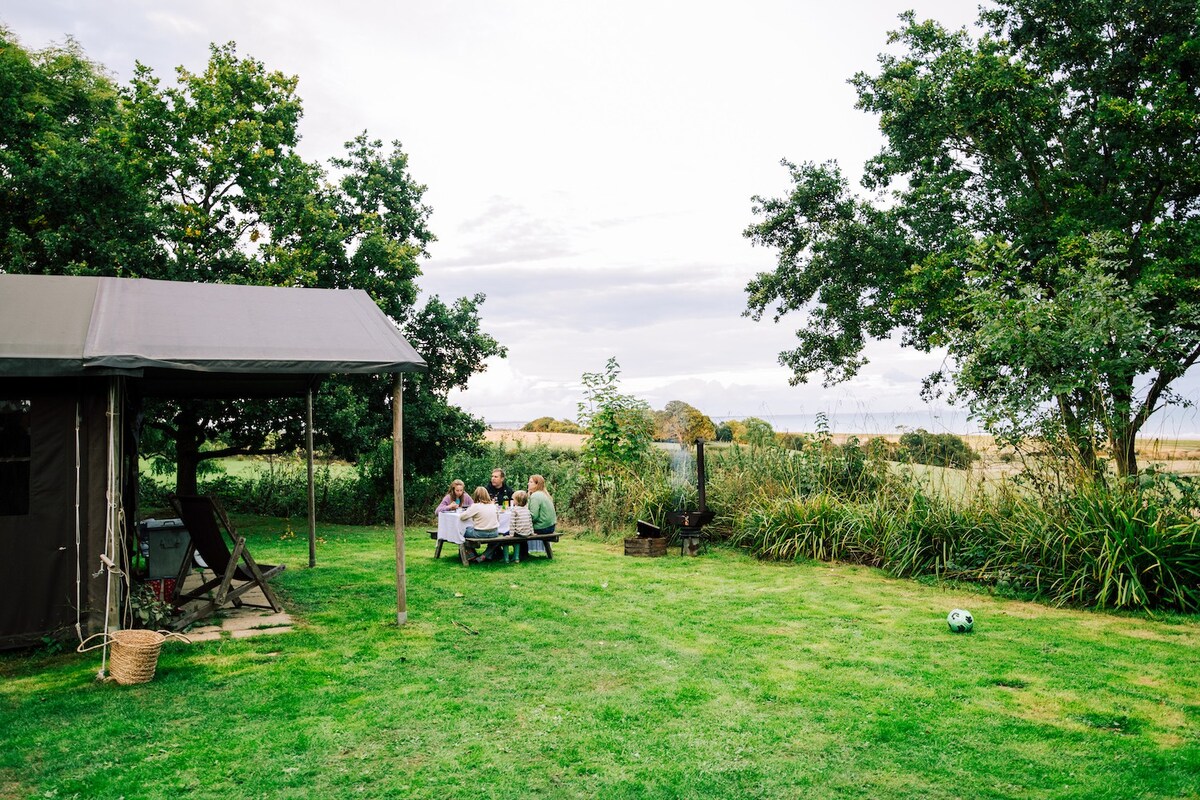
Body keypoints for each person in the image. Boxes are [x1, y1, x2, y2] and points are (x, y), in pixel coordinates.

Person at [458, 486, 502, 563]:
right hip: (494, 532)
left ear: (476, 496)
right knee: (496, 541)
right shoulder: (493, 506)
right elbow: (497, 519)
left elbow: (462, 517)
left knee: (462, 532)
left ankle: (471, 554)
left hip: (480, 533)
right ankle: (484, 555)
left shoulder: (476, 506)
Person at [507, 490, 534, 563]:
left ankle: (512, 557)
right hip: (527, 532)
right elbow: (530, 522)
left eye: (514, 500)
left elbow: (512, 523)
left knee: (505, 535)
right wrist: (532, 532)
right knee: (521, 539)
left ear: (517, 501)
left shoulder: (514, 510)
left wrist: (511, 535)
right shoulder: (527, 510)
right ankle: (522, 554)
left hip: (519, 533)